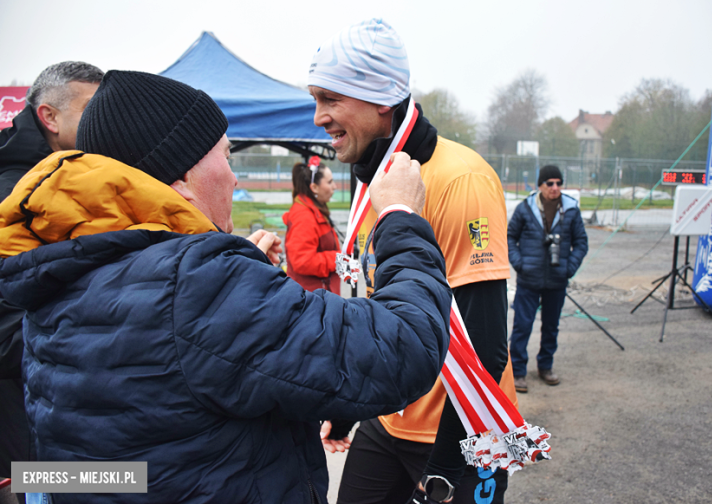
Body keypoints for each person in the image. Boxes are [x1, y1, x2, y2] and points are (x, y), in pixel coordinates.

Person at [0, 70, 453, 504]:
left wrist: (242, 280)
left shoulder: (64, 269)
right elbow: (404, 349)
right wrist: (401, 219)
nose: (234, 177)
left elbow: (135, 437)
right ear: (180, 180)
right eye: (226, 155)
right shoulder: (198, 283)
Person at [308, 19, 517, 503]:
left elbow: (486, 346)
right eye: (315, 99)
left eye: (331, 99)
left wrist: (444, 471)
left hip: (464, 433)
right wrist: (347, 409)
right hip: (391, 414)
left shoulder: (460, 178)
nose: (318, 117)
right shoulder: (380, 178)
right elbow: (373, 302)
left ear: (382, 98)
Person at [0, 61, 103, 504]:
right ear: (49, 117)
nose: (103, 123)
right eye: (91, 111)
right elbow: (10, 330)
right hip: (28, 411)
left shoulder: (69, 178)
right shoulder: (19, 195)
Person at [507, 165, 588, 393]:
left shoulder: (571, 209)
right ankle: (518, 371)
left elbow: (581, 242)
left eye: (559, 183)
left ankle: (545, 366)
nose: (555, 188)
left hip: (557, 280)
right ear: (540, 185)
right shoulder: (525, 208)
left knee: (551, 327)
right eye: (550, 183)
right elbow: (510, 237)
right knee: (522, 327)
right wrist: (520, 264)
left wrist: (569, 267)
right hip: (528, 279)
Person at [282, 160, 341, 293]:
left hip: (318, 296)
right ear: (314, 188)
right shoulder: (304, 216)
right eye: (330, 182)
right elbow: (303, 261)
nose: (335, 187)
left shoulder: (313, 210)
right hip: (313, 300)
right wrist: (338, 259)